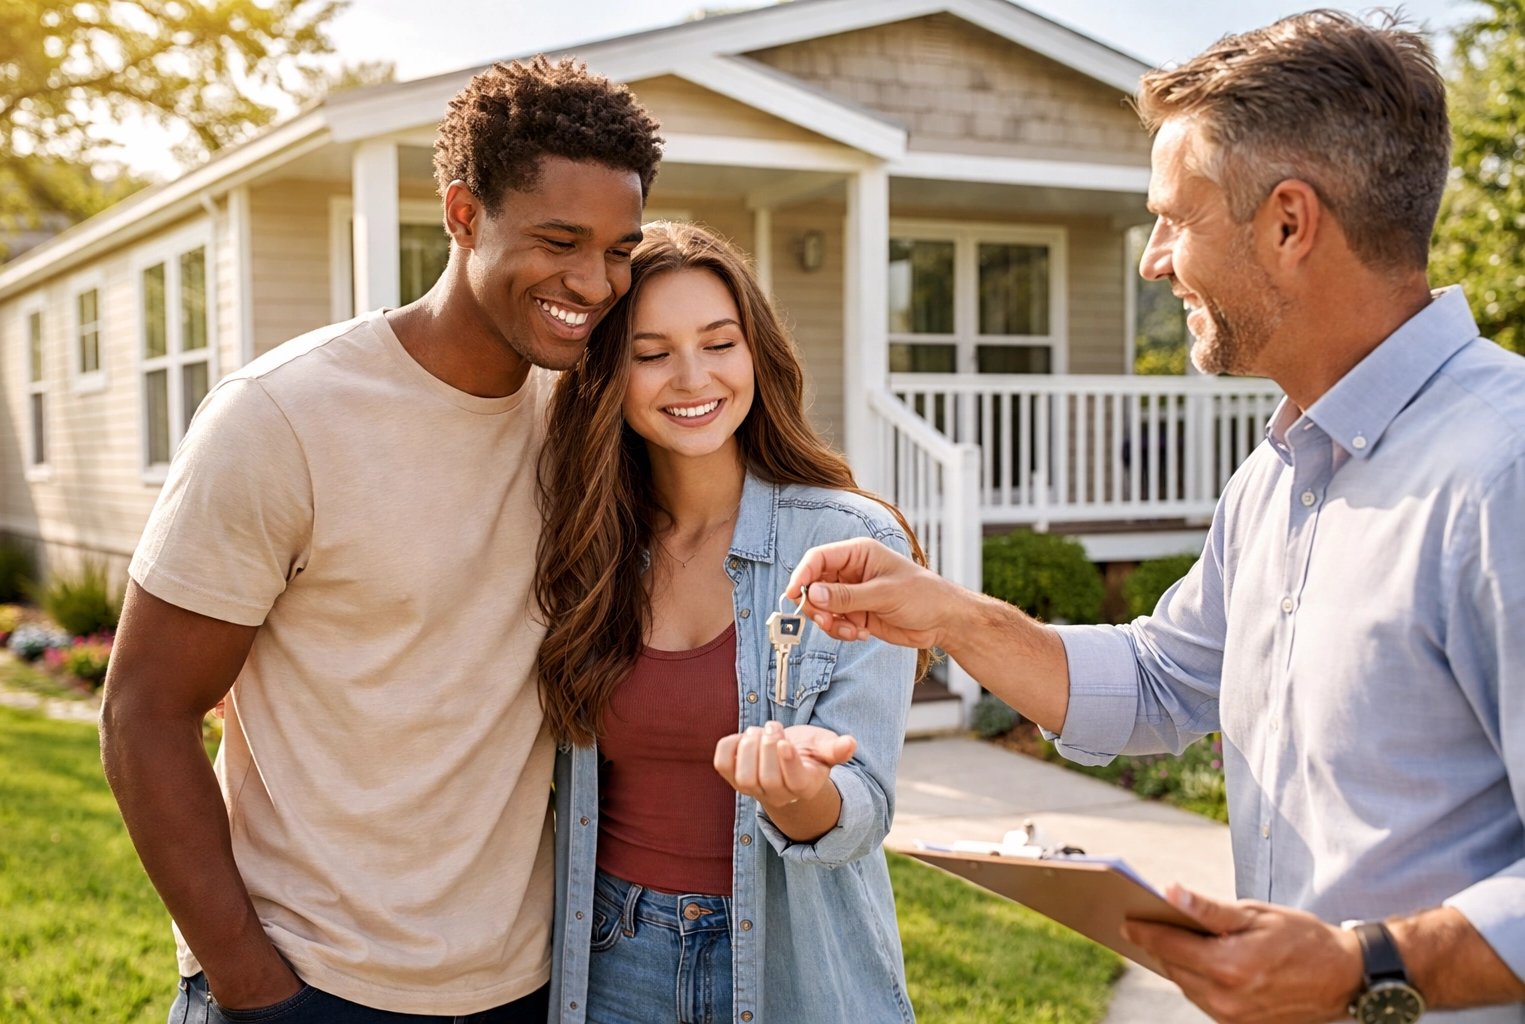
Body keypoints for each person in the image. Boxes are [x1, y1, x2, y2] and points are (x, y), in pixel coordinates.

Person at [787, 12, 1525, 1024]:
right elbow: (1156, 681)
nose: (1153, 260)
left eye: (1174, 217)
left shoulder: (1503, 469)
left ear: (1288, 222)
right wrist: (949, 615)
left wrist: (1368, 964)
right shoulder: (1273, 481)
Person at [100, 58, 661, 1023]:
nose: (595, 281)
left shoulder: (586, 417)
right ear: (462, 213)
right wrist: (254, 987)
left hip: (524, 985)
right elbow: (144, 714)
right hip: (308, 980)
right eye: (560, 240)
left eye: (619, 249)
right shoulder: (282, 418)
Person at [534, 222, 925, 1024]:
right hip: (611, 953)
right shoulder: (587, 545)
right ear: (611, 372)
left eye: (720, 343)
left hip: (792, 965)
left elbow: (863, 810)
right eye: (651, 353)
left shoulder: (847, 544)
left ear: (756, 354)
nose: (692, 377)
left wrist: (800, 792)